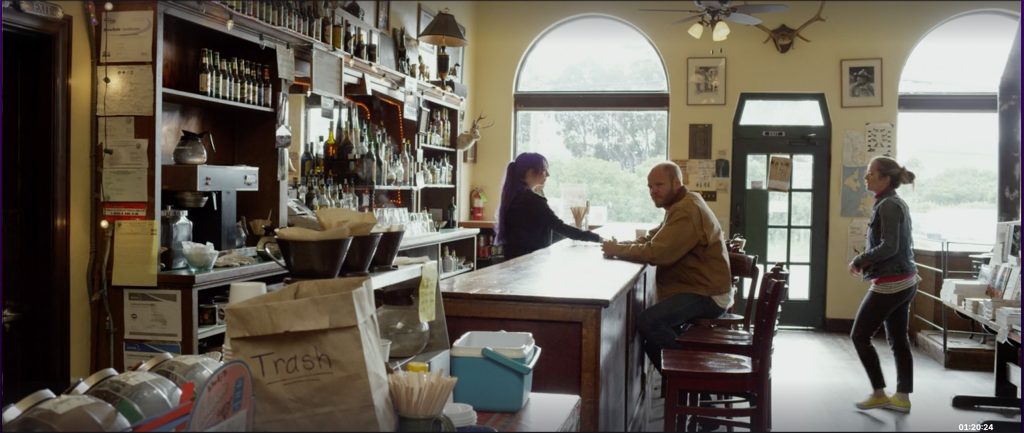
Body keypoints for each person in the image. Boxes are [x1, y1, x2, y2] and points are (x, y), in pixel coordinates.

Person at [601, 161, 732, 370]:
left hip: (708, 294)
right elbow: (653, 239)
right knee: (649, 337)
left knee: (649, 322)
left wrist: (616, 250)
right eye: (650, 186)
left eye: (659, 185)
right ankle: (685, 384)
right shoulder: (682, 203)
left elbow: (658, 253)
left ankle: (691, 379)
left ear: (677, 183)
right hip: (701, 288)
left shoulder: (686, 210)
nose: (653, 191)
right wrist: (619, 246)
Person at [848, 156, 918, 413]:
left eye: (871, 173)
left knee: (859, 335)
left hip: (892, 283)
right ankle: (902, 397)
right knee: (899, 339)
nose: (866, 177)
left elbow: (890, 246)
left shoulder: (889, 205)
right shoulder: (891, 203)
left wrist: (860, 260)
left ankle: (879, 392)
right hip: (904, 280)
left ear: (886, 178)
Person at [494, 152, 602, 259]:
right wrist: (598, 238)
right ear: (531, 172)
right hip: (530, 263)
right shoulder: (533, 200)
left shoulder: (513, 197)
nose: (548, 174)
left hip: (514, 261)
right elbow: (558, 226)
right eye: (544, 170)